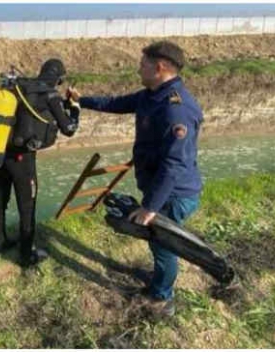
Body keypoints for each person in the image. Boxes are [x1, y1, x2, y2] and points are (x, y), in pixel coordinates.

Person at [68, 41, 203, 317]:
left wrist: (151, 207)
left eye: (143, 64)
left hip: (173, 193)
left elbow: (173, 163)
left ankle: (162, 299)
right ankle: (160, 280)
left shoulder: (176, 109)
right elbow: (116, 103)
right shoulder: (151, 95)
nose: (138, 69)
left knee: (164, 246)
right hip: (160, 188)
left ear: (160, 67)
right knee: (159, 245)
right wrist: (81, 100)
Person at [0, 58, 80, 269]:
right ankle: (26, 255)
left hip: (2, 151)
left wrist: (62, 103)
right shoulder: (49, 94)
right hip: (23, 158)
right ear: (58, 78)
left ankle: (1, 241)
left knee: (1, 197)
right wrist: (74, 107)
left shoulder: (21, 87)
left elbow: (35, 111)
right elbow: (68, 128)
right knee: (27, 205)